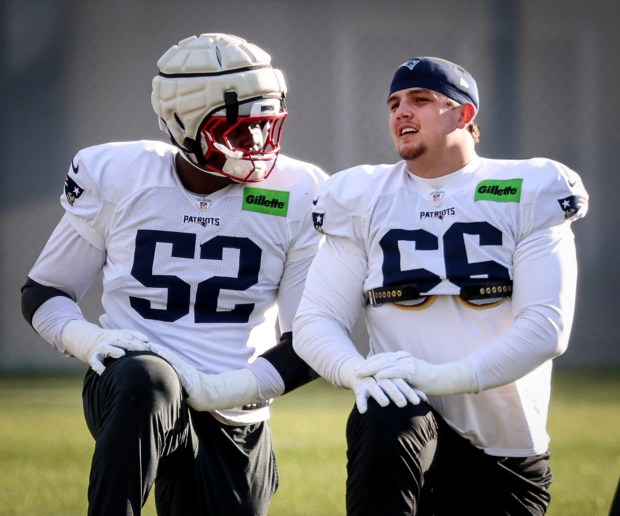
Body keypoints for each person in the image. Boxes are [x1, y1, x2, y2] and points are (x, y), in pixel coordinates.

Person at [21, 33, 327, 515]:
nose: (257, 143)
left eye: (264, 126)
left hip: (235, 403)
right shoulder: (120, 175)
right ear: (185, 124)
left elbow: (311, 338)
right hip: (129, 386)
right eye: (238, 129)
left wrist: (225, 389)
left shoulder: (299, 191)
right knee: (150, 378)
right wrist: (88, 341)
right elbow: (44, 291)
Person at [293, 56, 588, 515]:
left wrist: (440, 378)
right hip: (408, 420)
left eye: (420, 100)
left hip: (504, 449)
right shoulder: (361, 198)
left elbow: (546, 327)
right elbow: (316, 320)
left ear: (465, 114)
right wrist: (355, 371)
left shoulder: (527, 190)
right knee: (386, 415)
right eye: (393, 103)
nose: (401, 113)